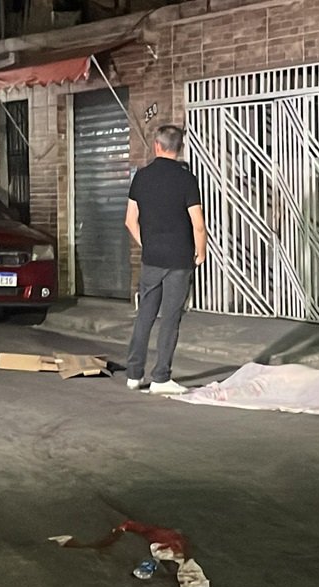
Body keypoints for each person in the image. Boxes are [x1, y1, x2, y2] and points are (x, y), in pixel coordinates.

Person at [123, 125, 207, 395]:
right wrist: (201, 251)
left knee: (145, 315)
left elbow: (130, 221)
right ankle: (161, 377)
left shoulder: (141, 177)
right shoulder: (187, 179)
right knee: (170, 318)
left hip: (152, 259)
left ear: (156, 145)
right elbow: (198, 223)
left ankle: (134, 374)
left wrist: (147, 244)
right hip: (179, 260)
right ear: (179, 148)